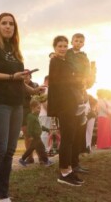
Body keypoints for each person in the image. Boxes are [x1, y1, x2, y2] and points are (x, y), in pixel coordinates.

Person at [0, 12, 42, 202]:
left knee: (10, 151)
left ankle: (2, 196)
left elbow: (18, 81)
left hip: (16, 105)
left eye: (11, 24)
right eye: (4, 23)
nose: (8, 26)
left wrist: (34, 91)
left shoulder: (14, 49)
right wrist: (12, 77)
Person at [47, 35, 85, 186]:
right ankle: (63, 172)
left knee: (70, 139)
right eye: (59, 46)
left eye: (64, 46)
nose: (63, 49)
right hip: (64, 105)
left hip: (72, 103)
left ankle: (68, 169)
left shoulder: (65, 61)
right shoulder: (55, 61)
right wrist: (76, 79)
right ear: (55, 48)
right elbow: (59, 83)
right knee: (67, 140)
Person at [18, 99, 53, 167]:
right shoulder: (31, 117)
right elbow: (29, 127)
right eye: (38, 108)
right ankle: (46, 161)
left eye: (40, 108)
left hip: (37, 136)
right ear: (32, 108)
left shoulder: (36, 117)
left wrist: (47, 130)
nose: (39, 110)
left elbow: (40, 126)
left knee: (31, 149)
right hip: (35, 137)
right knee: (42, 149)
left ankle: (22, 159)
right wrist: (30, 136)